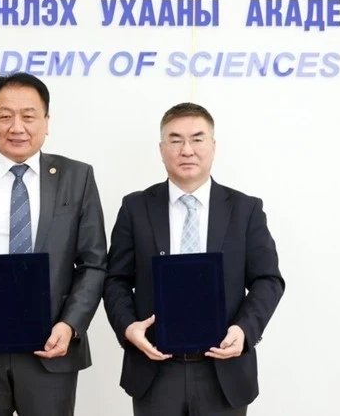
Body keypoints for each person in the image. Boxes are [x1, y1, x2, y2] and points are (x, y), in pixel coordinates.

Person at [0, 73, 108, 416]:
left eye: (28, 116)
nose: (17, 127)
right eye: (5, 116)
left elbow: (93, 263)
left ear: (46, 121)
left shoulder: (77, 178)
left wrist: (70, 324)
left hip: (51, 348)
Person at [103, 102, 285, 416]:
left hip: (223, 371)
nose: (187, 150)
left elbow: (268, 280)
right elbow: (115, 279)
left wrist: (244, 331)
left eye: (197, 139)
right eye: (175, 140)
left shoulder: (245, 209)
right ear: (161, 149)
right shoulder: (136, 208)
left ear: (213, 146)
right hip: (155, 369)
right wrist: (128, 327)